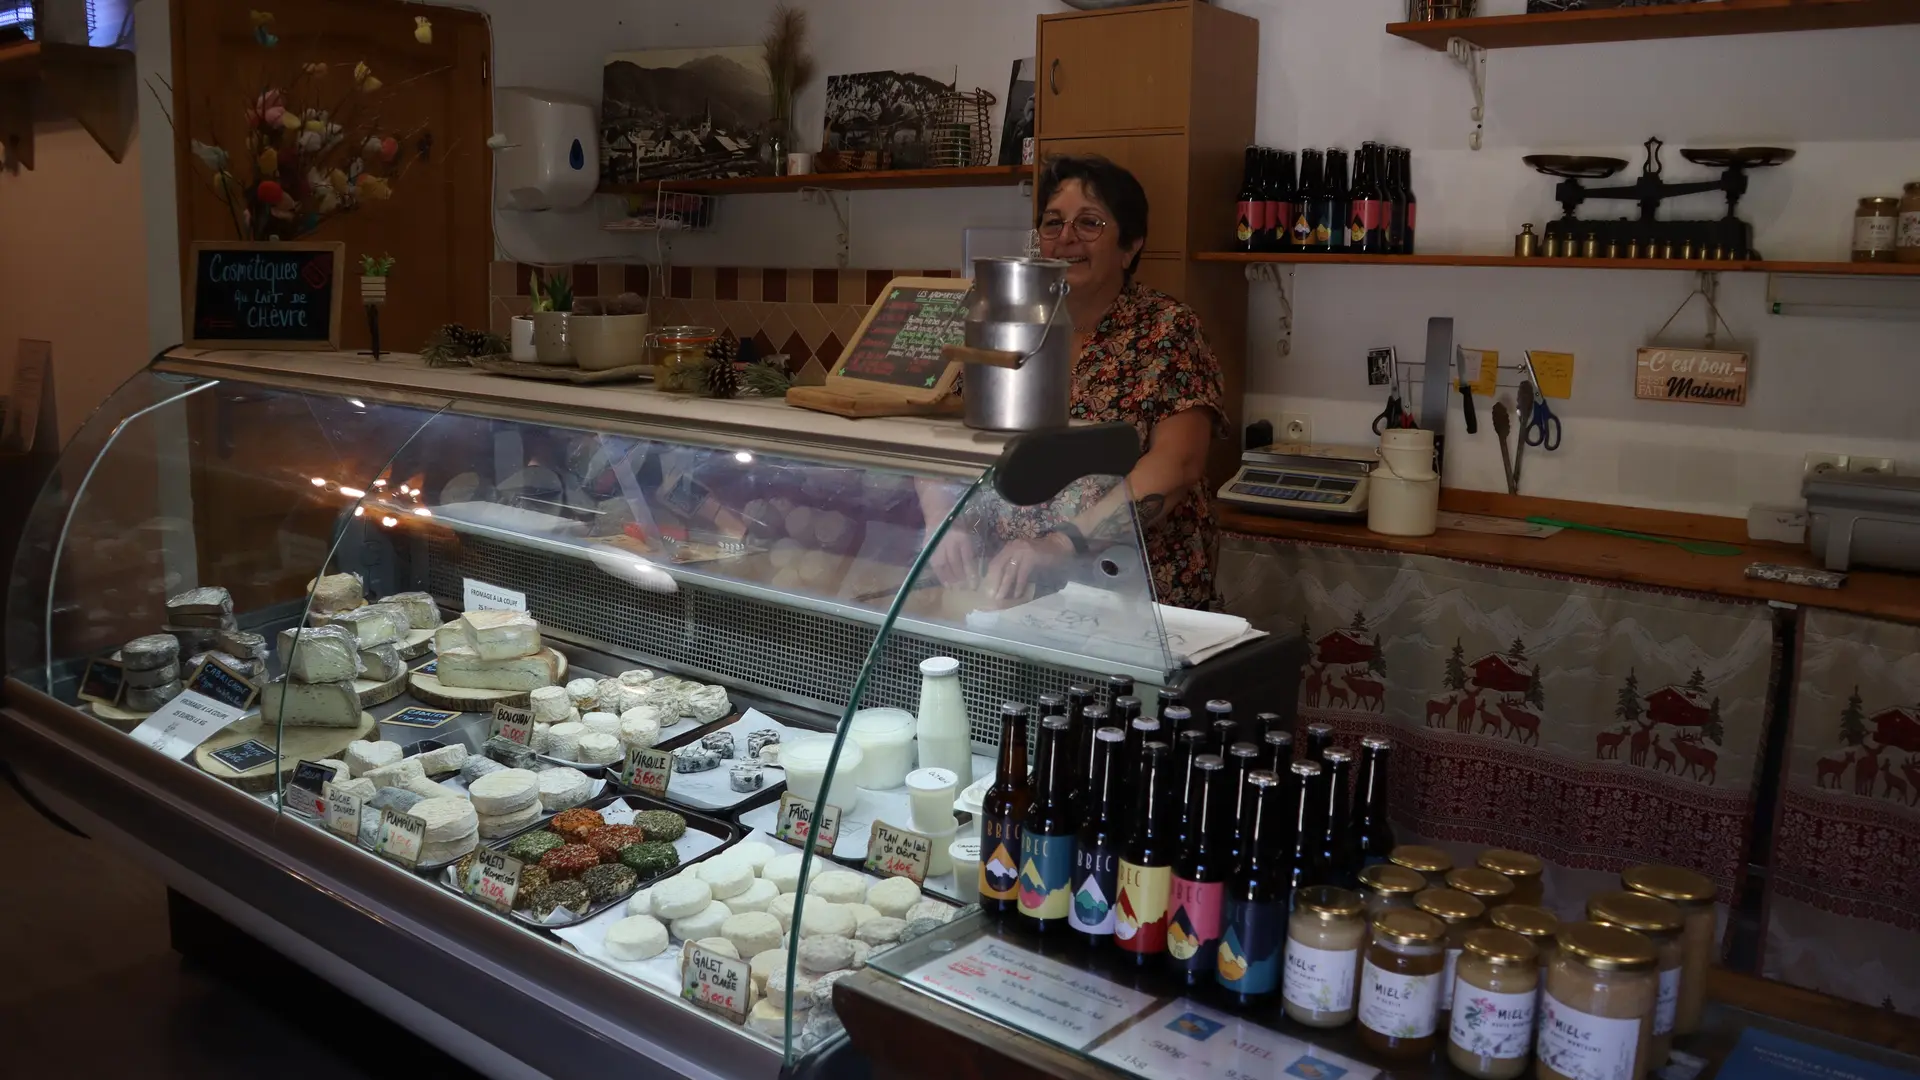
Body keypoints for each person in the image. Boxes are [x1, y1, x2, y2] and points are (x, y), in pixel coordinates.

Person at [925, 155, 1226, 610]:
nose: (1066, 238)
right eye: (1053, 223)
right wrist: (944, 519)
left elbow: (1178, 464)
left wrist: (1063, 542)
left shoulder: (1166, 329)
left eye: (1089, 223)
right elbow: (935, 428)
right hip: (1009, 590)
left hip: (1131, 598)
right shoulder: (1008, 320)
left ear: (1130, 246)